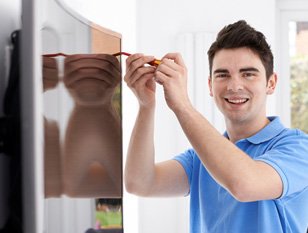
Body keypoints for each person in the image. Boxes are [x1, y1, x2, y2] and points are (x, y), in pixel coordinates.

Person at [124, 20, 308, 233]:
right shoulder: (201, 159)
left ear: (271, 83)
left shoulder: (299, 148)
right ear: (210, 85)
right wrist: (146, 105)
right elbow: (140, 182)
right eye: (223, 75)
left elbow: (244, 184)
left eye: (248, 74)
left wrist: (182, 105)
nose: (234, 86)